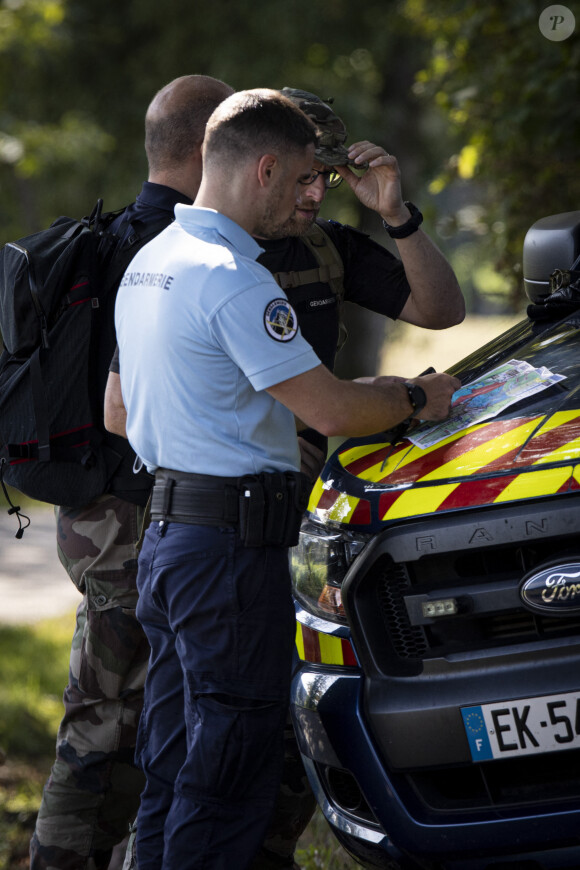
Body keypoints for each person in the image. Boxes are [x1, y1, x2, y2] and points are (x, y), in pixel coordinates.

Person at [104, 88, 465, 870]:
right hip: (230, 553)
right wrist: (416, 397)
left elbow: (122, 409)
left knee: (172, 768)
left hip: (170, 542)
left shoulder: (149, 263)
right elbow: (332, 409)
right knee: (229, 773)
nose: (313, 195)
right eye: (305, 178)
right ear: (263, 168)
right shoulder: (234, 276)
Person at [29, 74, 235, 870]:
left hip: (94, 514)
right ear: (209, 146)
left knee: (126, 713)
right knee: (108, 722)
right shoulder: (168, 255)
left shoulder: (115, 236)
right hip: (126, 515)